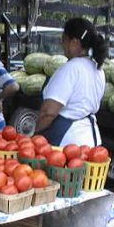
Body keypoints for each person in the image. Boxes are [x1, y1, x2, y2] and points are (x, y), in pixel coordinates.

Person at [36, 18, 107, 147]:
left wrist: (35, 136)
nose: (62, 44)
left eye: (63, 40)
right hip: (92, 140)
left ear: (74, 42)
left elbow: (48, 112)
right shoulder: (98, 69)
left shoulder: (70, 69)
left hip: (68, 142)